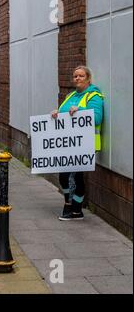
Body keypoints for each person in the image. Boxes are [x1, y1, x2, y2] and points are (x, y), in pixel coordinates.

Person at [51, 66, 104, 221]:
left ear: (88, 78)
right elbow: (64, 115)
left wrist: (80, 110)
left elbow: (97, 118)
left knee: (71, 175)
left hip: (85, 144)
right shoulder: (71, 95)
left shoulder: (94, 96)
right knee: (67, 176)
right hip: (68, 144)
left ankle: (70, 207)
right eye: (75, 76)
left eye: (81, 76)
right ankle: (76, 210)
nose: (77, 79)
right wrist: (56, 113)